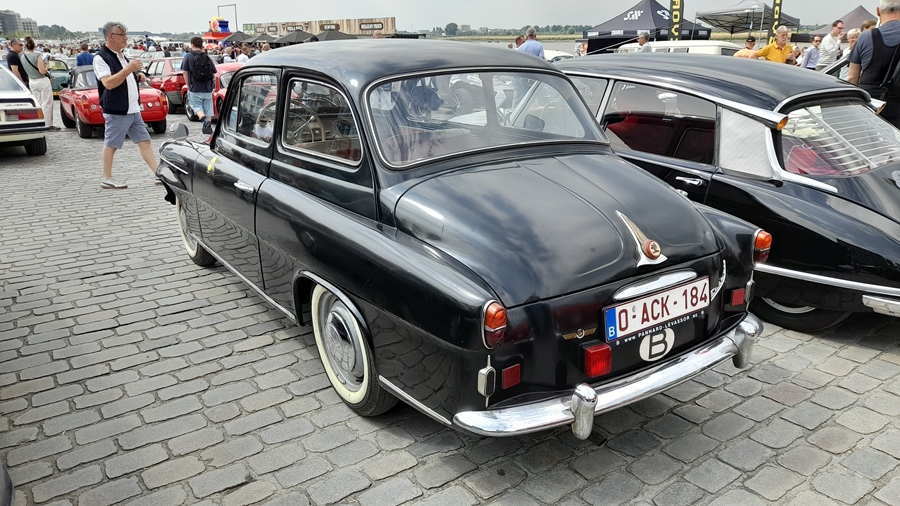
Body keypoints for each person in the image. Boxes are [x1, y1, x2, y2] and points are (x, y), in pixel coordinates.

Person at [93, 21, 158, 190]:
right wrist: (129, 69)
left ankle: (158, 173)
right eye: (121, 35)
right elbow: (108, 83)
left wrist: (136, 75)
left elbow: (124, 77)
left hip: (132, 108)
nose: (125, 38)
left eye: (125, 35)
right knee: (111, 144)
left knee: (144, 141)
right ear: (110, 36)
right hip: (117, 110)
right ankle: (106, 178)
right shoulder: (101, 57)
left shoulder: (121, 55)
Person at [849, 0, 900, 128]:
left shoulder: (865, 37)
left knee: (871, 139)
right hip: (898, 105)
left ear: (878, 11)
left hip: (871, 106)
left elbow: (852, 78)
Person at [20, 37, 57, 130]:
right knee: (47, 103)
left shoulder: (22, 56)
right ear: (34, 46)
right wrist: (47, 65)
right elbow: (42, 71)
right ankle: (48, 124)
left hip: (32, 80)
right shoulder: (37, 55)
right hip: (42, 80)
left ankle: (39, 122)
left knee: (38, 103)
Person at [182, 36, 217, 135]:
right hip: (207, 87)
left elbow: (185, 72)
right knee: (208, 108)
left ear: (192, 45)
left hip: (195, 87)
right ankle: (207, 127)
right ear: (201, 45)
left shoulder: (188, 56)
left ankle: (203, 118)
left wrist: (188, 84)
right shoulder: (206, 56)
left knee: (196, 106)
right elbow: (214, 71)